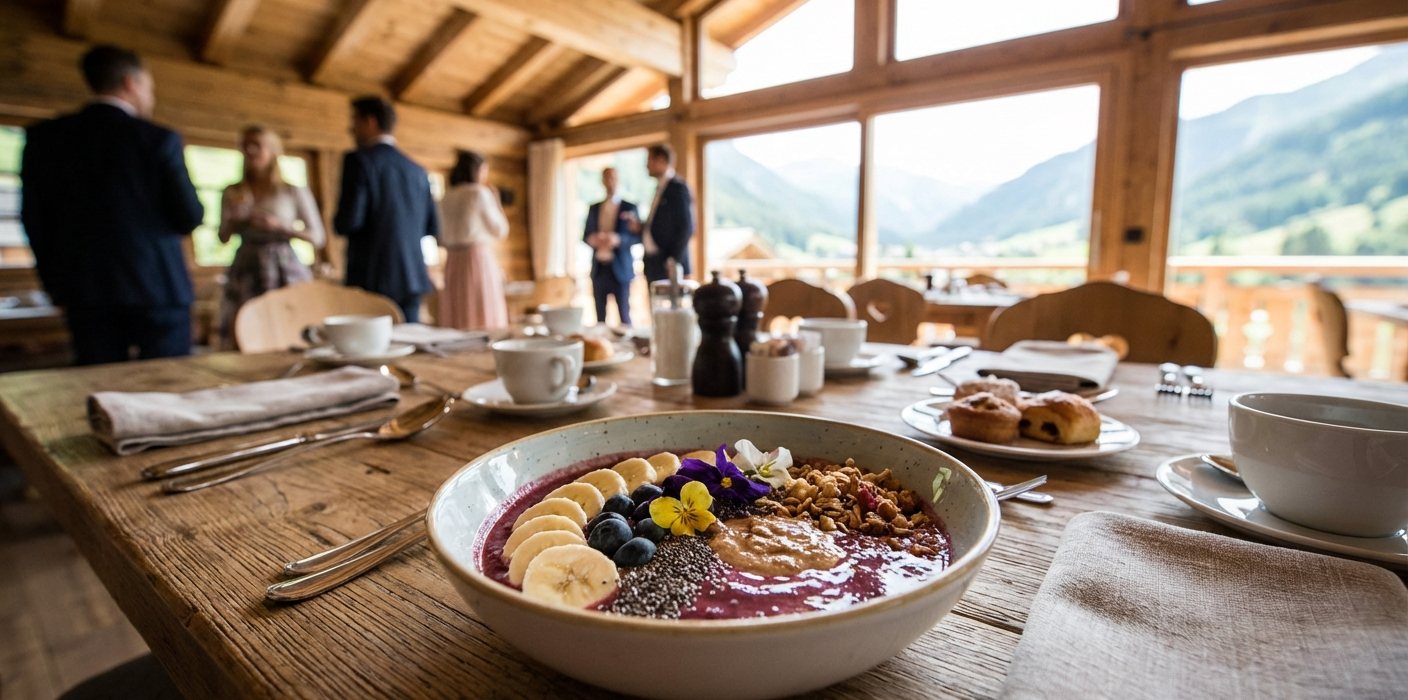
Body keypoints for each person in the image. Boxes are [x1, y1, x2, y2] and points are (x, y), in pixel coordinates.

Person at [20, 45, 203, 365]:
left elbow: (34, 219)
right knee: (170, 385)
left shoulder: (45, 139)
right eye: (150, 87)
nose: (151, 97)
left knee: (102, 389)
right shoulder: (156, 139)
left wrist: (55, 283)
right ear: (131, 83)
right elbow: (188, 215)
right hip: (156, 285)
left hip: (82, 287)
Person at [215, 126, 326, 349]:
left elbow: (318, 237)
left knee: (291, 327)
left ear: (273, 150)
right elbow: (223, 237)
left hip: (282, 265)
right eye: (246, 145)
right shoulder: (233, 191)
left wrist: (280, 226)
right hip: (246, 266)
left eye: (257, 145)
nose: (251, 151)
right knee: (242, 327)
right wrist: (236, 220)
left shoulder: (291, 191)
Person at [334, 96, 438, 323]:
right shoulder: (418, 171)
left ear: (369, 121)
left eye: (354, 120)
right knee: (410, 347)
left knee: (369, 352)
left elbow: (349, 222)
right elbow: (432, 226)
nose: (351, 127)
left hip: (371, 275)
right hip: (412, 276)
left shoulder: (359, 161)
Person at [438, 150, 509, 330]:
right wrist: (497, 202)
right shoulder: (479, 193)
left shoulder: (445, 197)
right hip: (476, 259)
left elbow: (439, 237)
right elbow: (501, 230)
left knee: (458, 314)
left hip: (452, 260)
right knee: (482, 313)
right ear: (477, 170)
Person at [583, 167, 640, 326]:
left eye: (613, 178)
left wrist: (618, 239)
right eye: (607, 178)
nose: (610, 182)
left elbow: (636, 236)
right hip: (600, 269)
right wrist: (592, 239)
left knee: (624, 316)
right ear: (602, 181)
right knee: (600, 318)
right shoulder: (594, 208)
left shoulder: (629, 207)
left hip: (620, 269)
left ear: (618, 180)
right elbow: (585, 235)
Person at [641, 144, 695, 284]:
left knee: (671, 305)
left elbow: (686, 227)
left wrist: (672, 261)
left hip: (669, 264)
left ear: (661, 160)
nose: (646, 166)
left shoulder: (678, 188)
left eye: (649, 160)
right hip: (654, 262)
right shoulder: (659, 188)